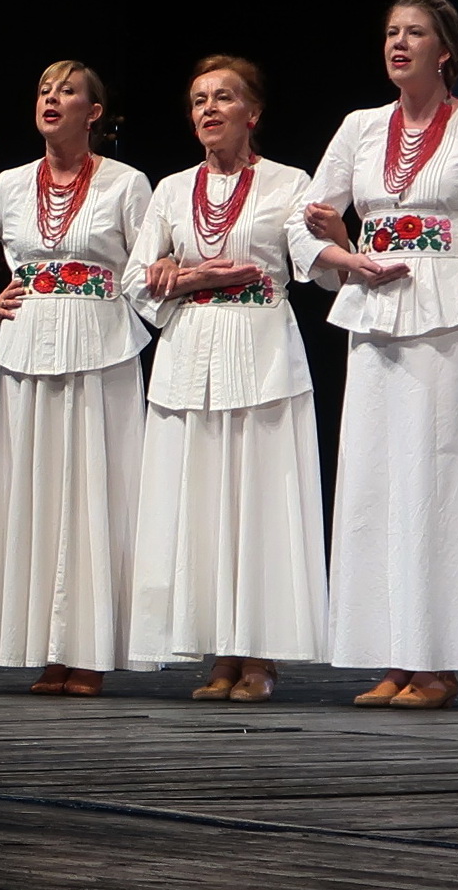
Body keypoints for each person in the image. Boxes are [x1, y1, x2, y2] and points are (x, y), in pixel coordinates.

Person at [288, 0, 458, 710]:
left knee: (446, 475)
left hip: (451, 311)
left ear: (445, 51)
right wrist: (346, 259)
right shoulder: (361, 127)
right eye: (392, 32)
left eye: (415, 33)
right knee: (377, 478)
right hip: (377, 310)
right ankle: (393, 652)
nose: (398, 44)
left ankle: (442, 658)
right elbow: (305, 218)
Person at [0, 61, 151, 699]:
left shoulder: (125, 183)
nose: (51, 99)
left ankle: (92, 650)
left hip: (99, 350)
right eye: (43, 90)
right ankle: (44, 649)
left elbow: (147, 266)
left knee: (95, 494)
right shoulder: (10, 184)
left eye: (67, 91)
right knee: (33, 494)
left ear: (94, 112)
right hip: (26, 348)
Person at [126, 56, 329, 702]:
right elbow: (135, 281)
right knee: (201, 505)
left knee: (258, 502)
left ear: (253, 113)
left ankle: (260, 653)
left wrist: (343, 247)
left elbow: (314, 265)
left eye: (222, 97)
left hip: (261, 351)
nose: (208, 109)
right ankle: (218, 651)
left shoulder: (288, 182)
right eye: (198, 100)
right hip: (190, 354)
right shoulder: (170, 190)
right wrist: (193, 276)